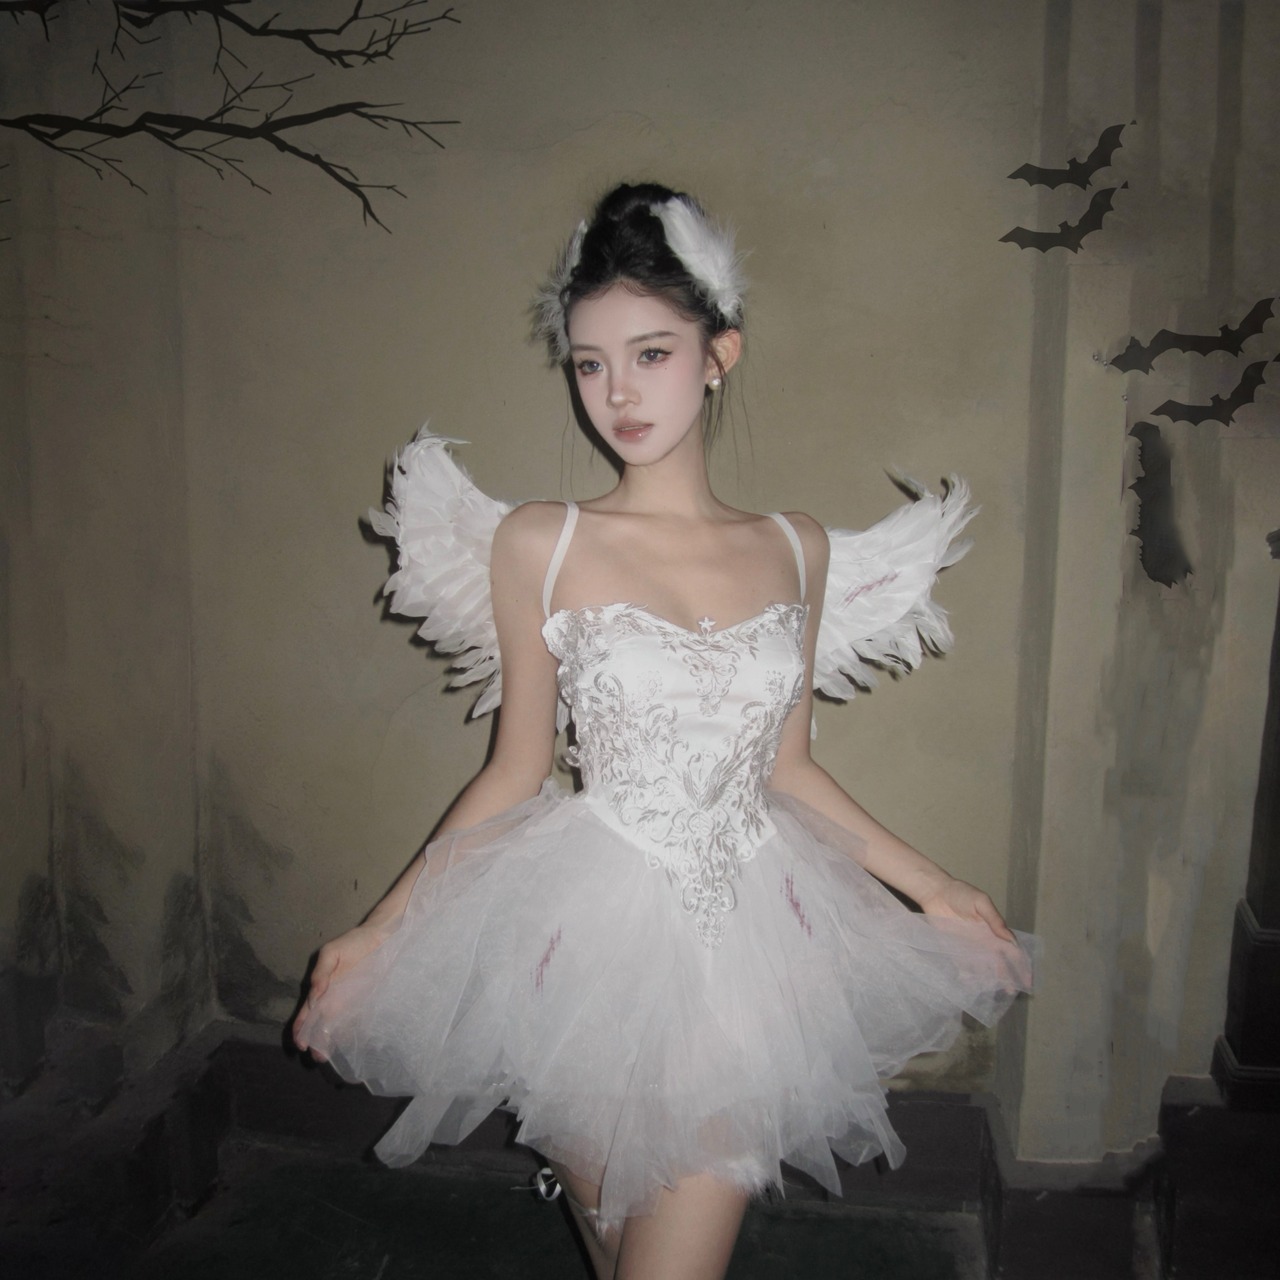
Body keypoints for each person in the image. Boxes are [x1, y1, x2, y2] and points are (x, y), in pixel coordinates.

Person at [293, 182, 1035, 1280]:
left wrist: (933, 886)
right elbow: (513, 770)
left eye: (650, 354)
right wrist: (378, 930)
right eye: (590, 363)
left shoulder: (794, 547)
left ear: (718, 353)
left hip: (750, 956)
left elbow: (790, 767)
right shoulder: (539, 541)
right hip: (581, 947)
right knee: (614, 1241)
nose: (618, 394)